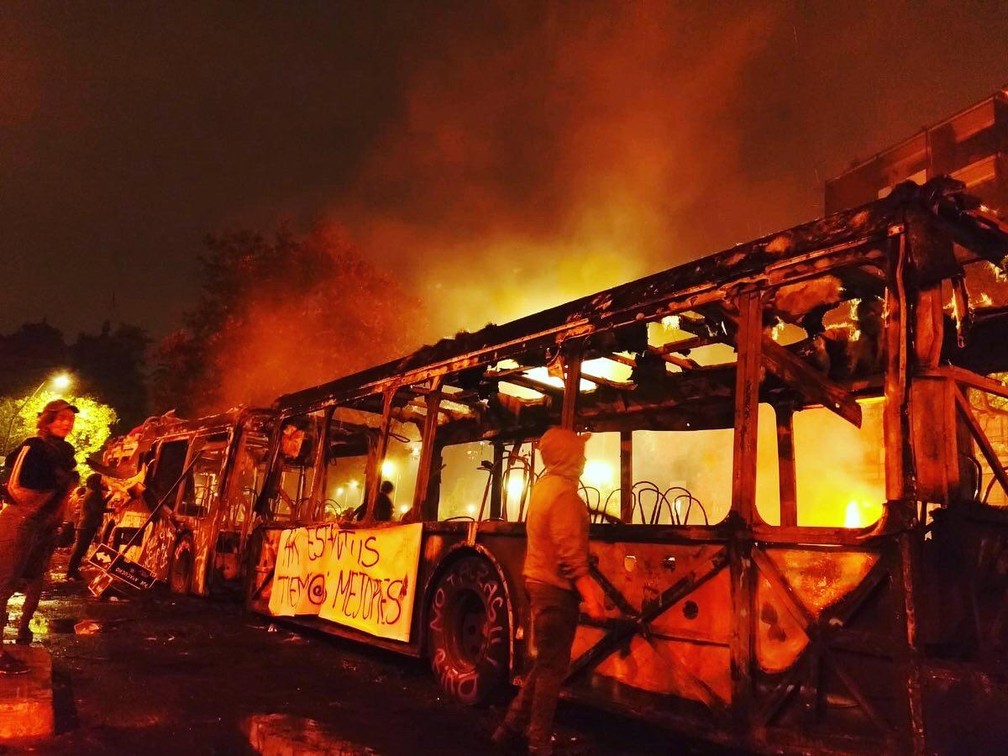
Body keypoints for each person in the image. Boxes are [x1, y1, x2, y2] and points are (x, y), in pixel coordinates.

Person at [493, 427, 606, 755]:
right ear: (567, 457)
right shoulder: (565, 496)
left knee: (545, 663)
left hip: (538, 584)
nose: (584, 460)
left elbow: (553, 542)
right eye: (579, 453)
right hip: (556, 592)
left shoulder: (543, 487)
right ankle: (538, 742)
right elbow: (569, 555)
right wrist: (590, 596)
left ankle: (509, 728)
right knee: (552, 671)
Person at [0, 399, 78, 674]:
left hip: (43, 529)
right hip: (20, 524)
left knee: (30, 580)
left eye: (70, 419)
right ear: (47, 420)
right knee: (4, 584)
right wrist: (33, 508)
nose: (66, 423)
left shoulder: (65, 455)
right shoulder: (33, 447)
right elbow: (13, 485)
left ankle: (20, 633)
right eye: (60, 418)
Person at [65, 472, 106, 580]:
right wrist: (112, 509)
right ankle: (71, 572)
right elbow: (97, 509)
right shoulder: (93, 493)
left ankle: (72, 572)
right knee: (80, 549)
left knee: (80, 549)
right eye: (100, 481)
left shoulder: (91, 492)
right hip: (87, 525)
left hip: (86, 525)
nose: (102, 483)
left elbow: (98, 506)